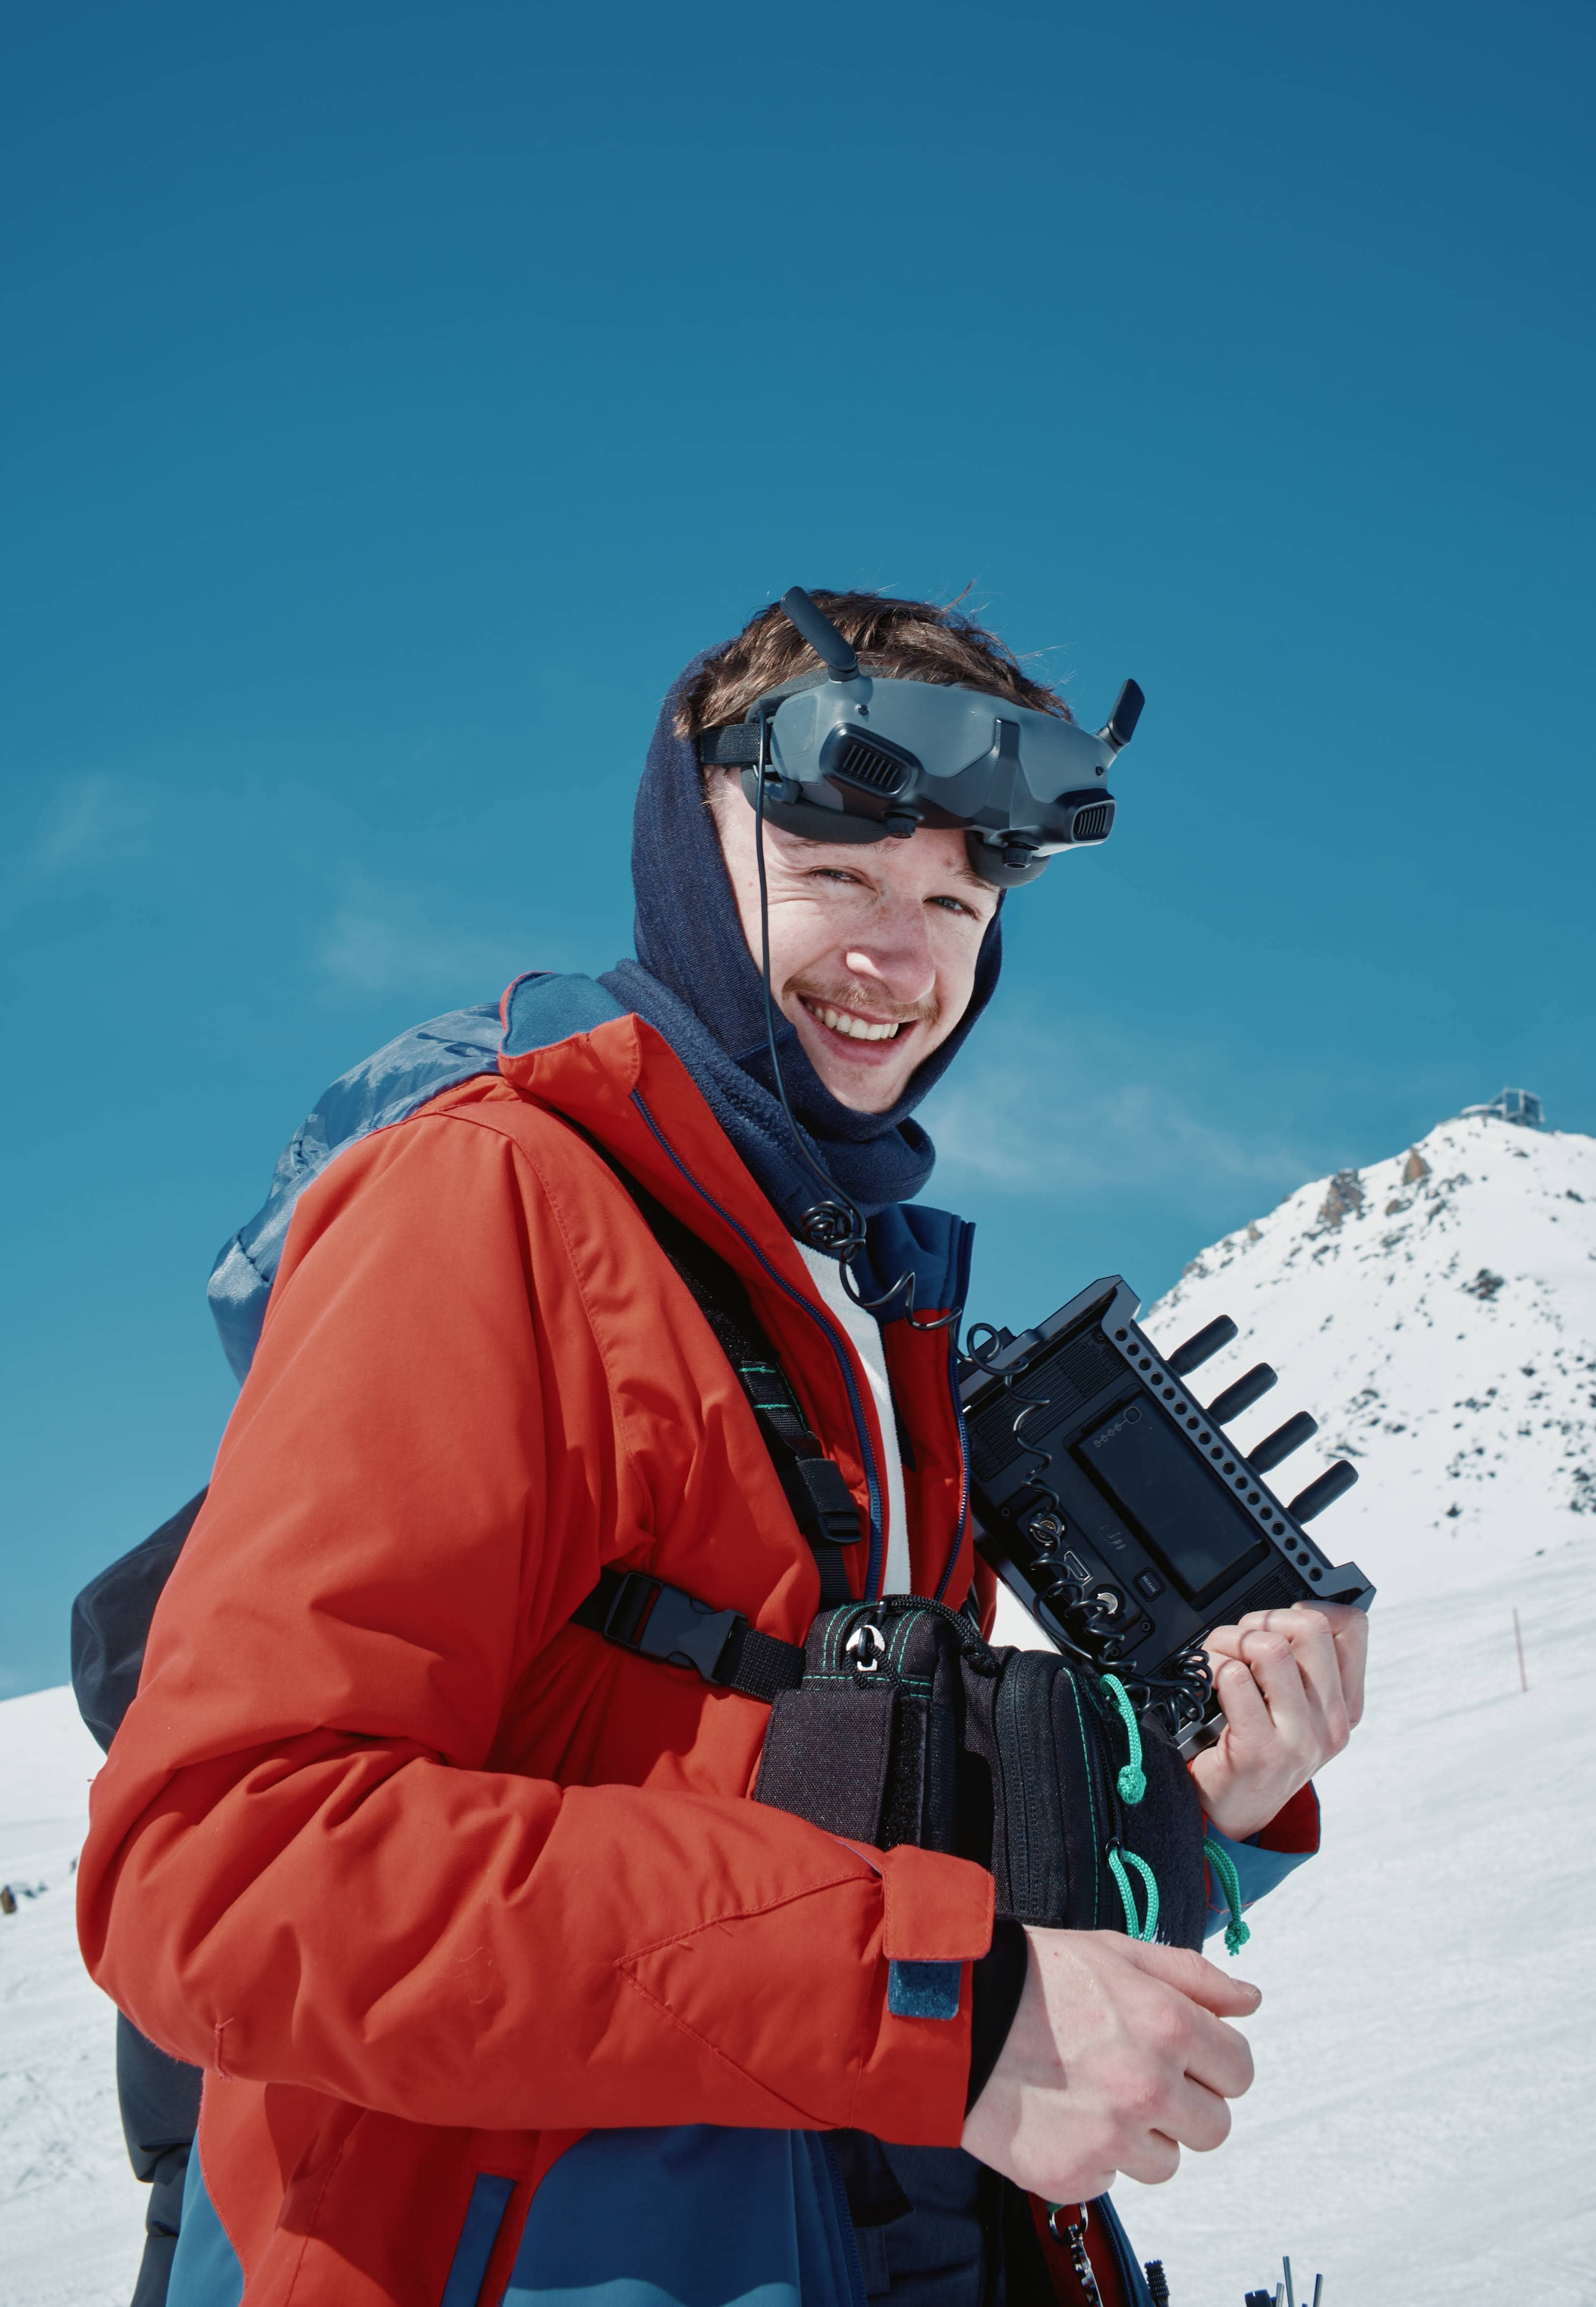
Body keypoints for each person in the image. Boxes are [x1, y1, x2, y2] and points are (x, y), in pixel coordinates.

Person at [78, 588, 1366, 2307]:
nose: (900, 962)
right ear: (689, 860)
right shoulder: (492, 1205)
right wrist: (937, 2004)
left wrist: (1192, 1821)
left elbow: (845, 1837)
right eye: (837, 876)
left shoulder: (861, 1318)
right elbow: (223, 1866)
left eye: (955, 902)